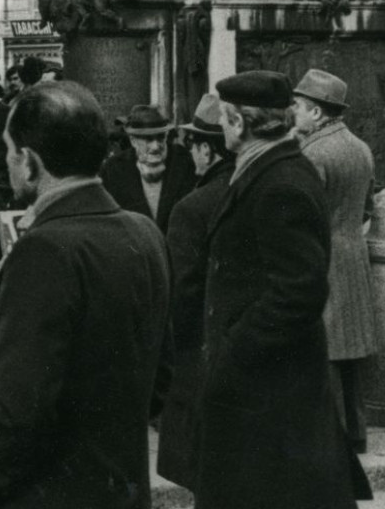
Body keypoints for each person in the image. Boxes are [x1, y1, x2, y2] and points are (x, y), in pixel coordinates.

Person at [0, 80, 170, 509]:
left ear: (30, 162)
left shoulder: (46, 249)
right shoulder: (145, 234)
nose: (7, 160)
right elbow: (160, 376)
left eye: (9, 150)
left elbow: (19, 409)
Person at [194, 70, 368, 509]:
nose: (222, 127)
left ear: (239, 122)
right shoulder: (270, 168)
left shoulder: (281, 181)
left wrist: (235, 349)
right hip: (265, 383)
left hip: (266, 384)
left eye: (225, 118)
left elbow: (299, 291)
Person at [292, 69, 379, 454]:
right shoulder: (361, 148)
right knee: (351, 348)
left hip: (323, 254)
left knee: (325, 345)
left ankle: (333, 435)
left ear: (316, 112)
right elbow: (368, 207)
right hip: (354, 253)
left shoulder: (312, 153)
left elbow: (304, 213)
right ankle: (356, 432)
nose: (293, 112)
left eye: (298, 106)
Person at [157, 93, 234, 492]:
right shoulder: (256, 189)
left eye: (193, 146)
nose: (190, 155)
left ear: (207, 149)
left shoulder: (191, 208)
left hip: (200, 355)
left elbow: (181, 295)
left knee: (203, 469)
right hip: (248, 350)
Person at [99, 105, 197, 232]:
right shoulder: (113, 169)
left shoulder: (184, 162)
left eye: (160, 137)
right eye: (148, 139)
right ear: (133, 141)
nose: (155, 147)